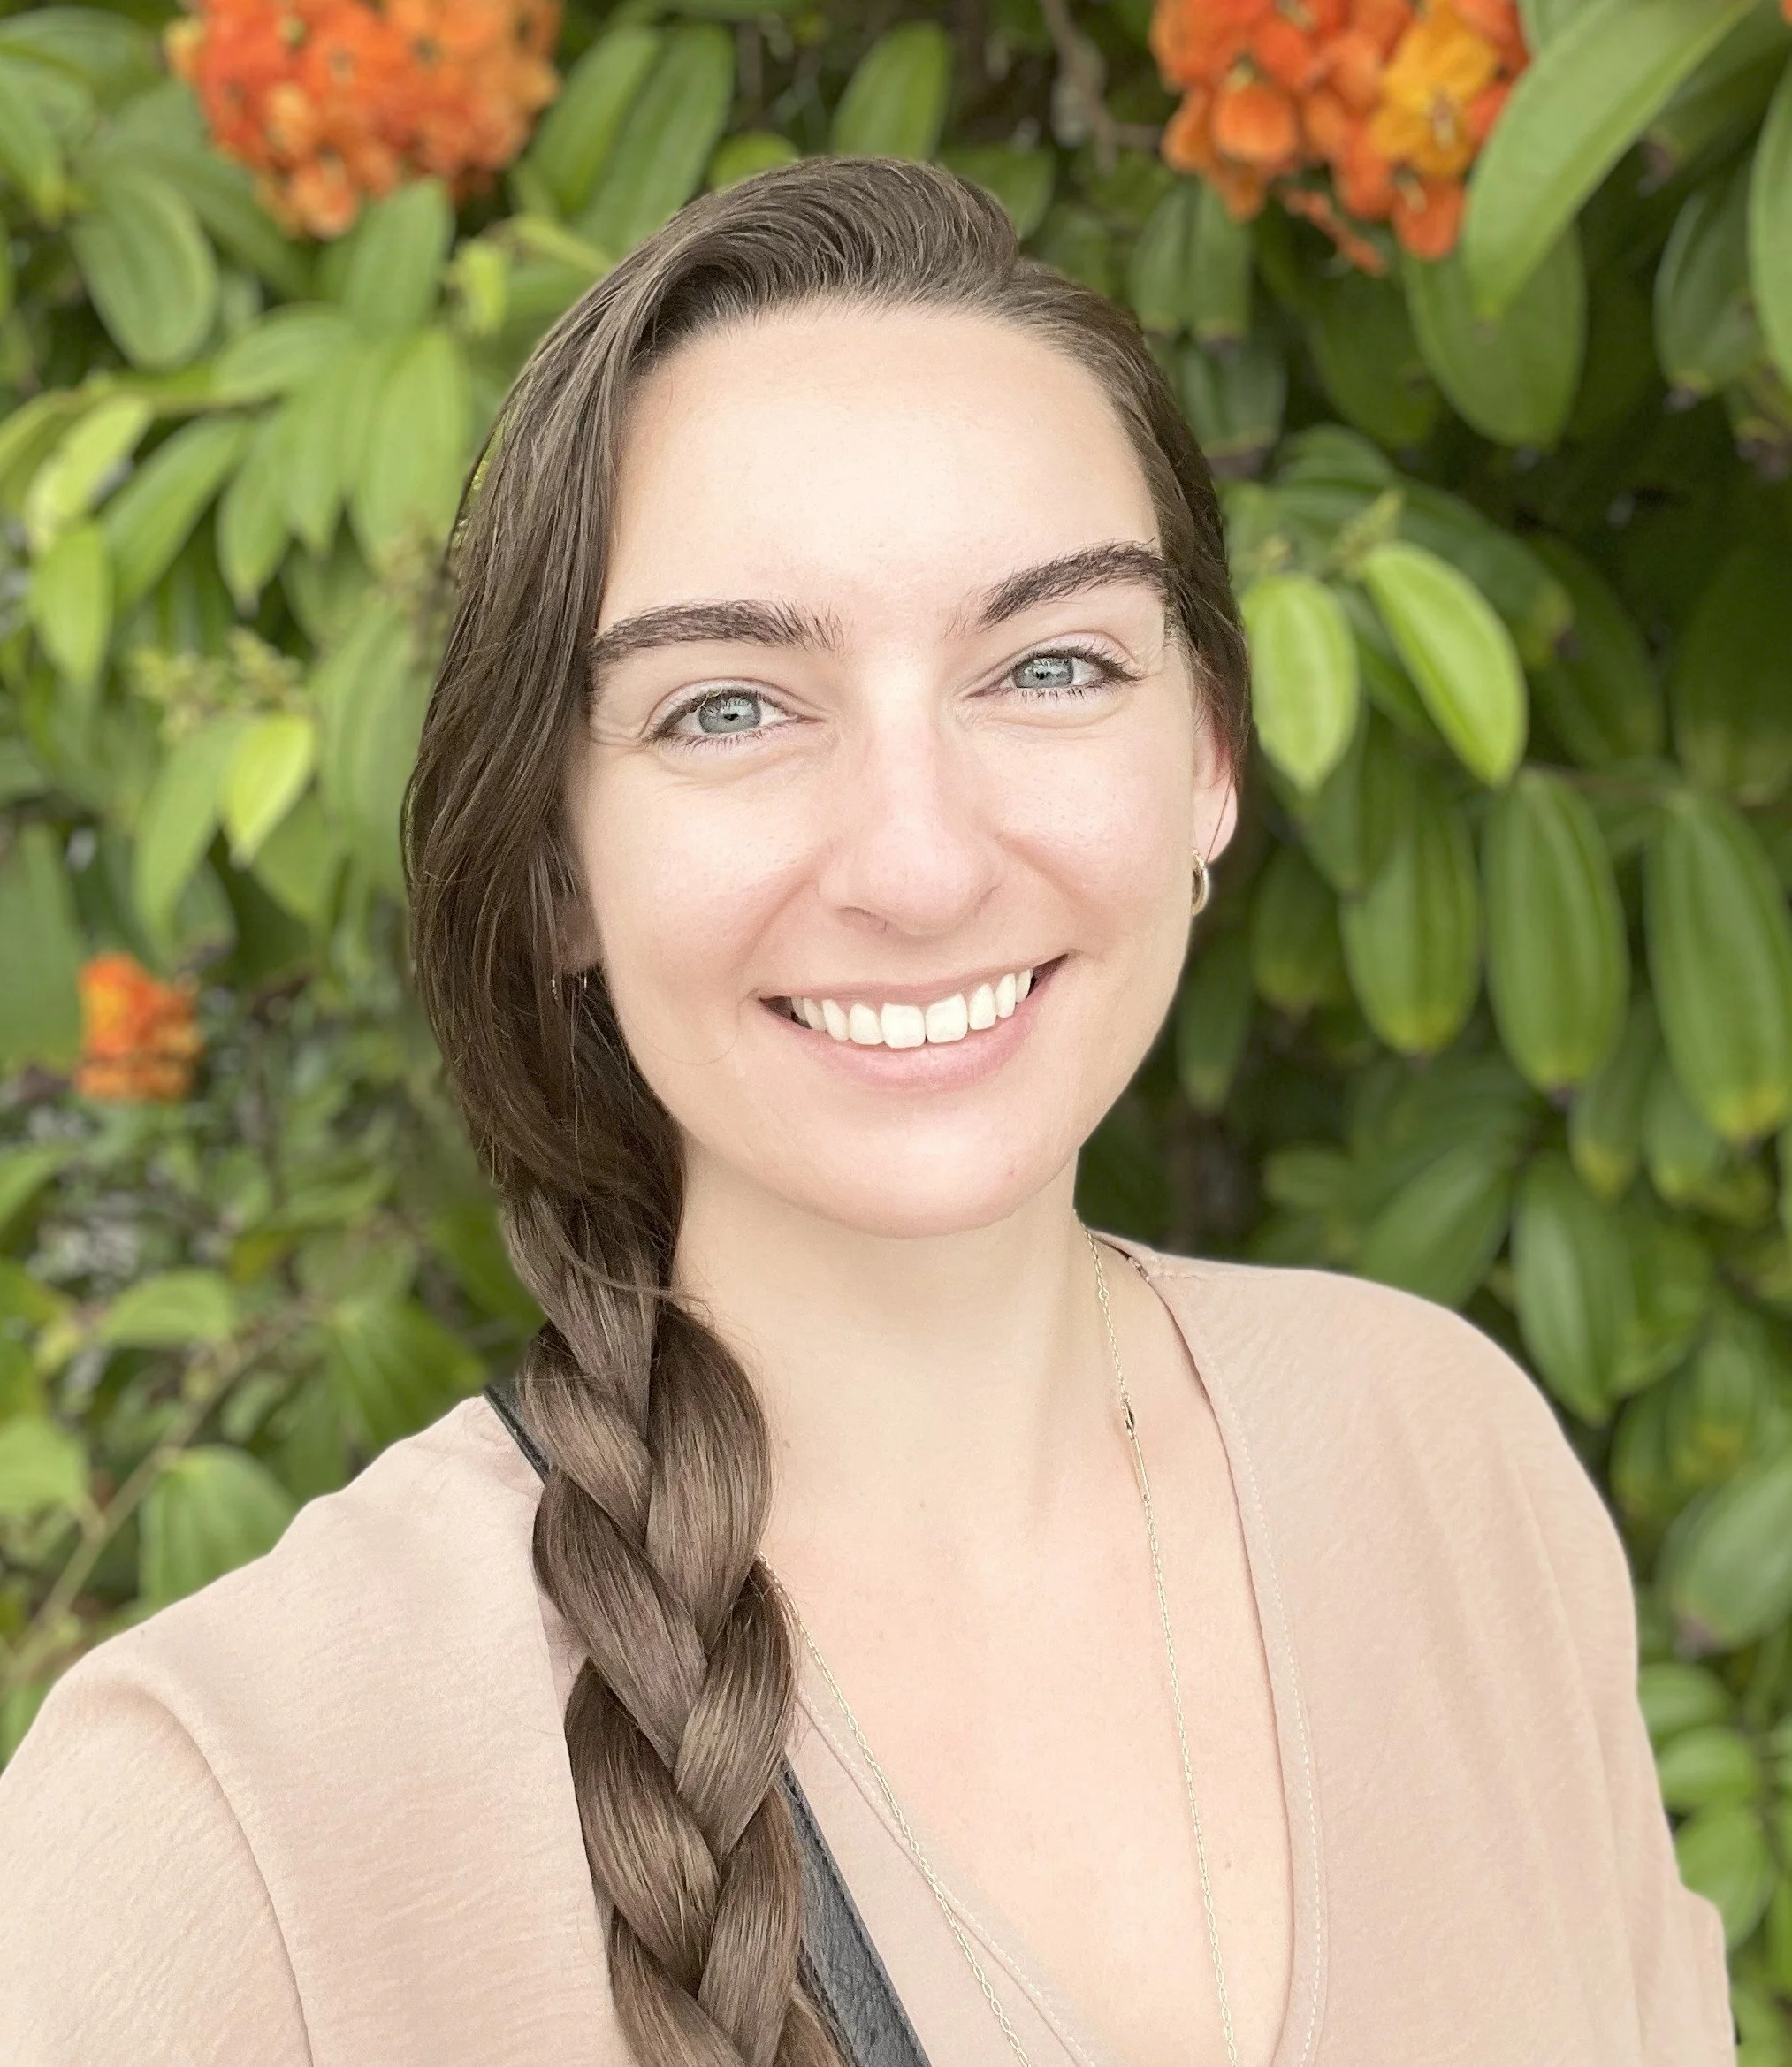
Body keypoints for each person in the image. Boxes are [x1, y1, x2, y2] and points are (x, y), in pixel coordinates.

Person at [0, 156, 1733, 2067]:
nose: (915, 862)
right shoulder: (217, 1810)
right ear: (558, 863)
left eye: (1051, 665)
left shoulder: (1448, 1467)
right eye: (728, 706)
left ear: (1207, 761)